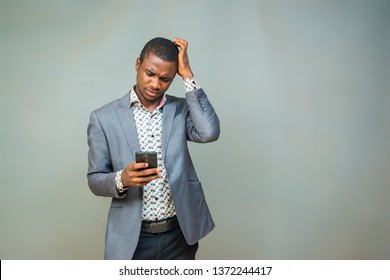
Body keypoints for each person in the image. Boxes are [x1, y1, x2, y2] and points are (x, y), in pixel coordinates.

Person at [87, 37, 220, 260]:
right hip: (133, 238)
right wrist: (122, 180)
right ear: (138, 64)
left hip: (180, 234)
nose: (156, 84)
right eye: (150, 73)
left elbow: (208, 132)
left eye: (165, 79)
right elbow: (94, 179)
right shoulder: (103, 118)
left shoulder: (180, 109)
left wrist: (187, 74)